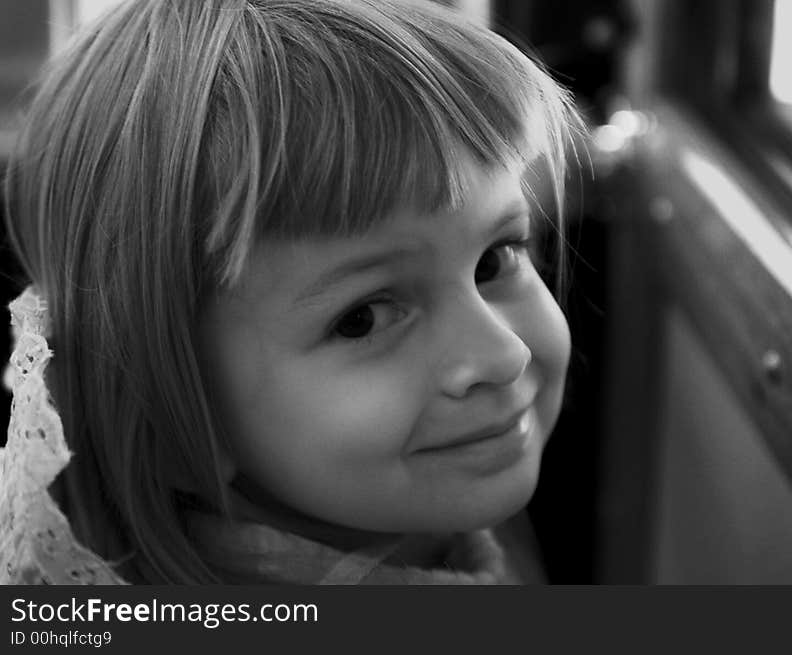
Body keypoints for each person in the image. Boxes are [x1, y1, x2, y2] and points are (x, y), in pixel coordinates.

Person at [1, 0, 586, 584]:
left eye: (494, 260)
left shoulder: (447, 516)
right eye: (363, 318)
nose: (504, 355)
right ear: (172, 424)